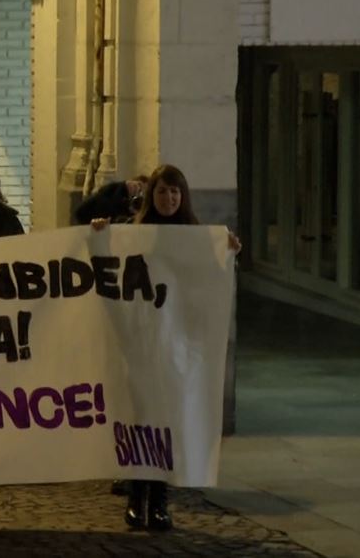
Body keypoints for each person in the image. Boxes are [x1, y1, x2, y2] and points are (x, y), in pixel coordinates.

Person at [91, 164, 240, 532]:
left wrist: (228, 251)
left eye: (175, 192)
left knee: (165, 421)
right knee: (141, 419)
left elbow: (210, 281)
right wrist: (99, 234)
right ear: (151, 195)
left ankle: (158, 501)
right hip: (140, 342)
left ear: (183, 196)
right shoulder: (135, 233)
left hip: (177, 347)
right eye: (162, 191)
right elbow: (104, 259)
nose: (169, 198)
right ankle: (136, 498)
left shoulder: (195, 236)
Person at [75, 176, 148, 225]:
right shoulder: (114, 194)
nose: (138, 192)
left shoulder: (135, 214)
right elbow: (81, 212)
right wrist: (122, 187)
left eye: (142, 193)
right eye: (138, 186)